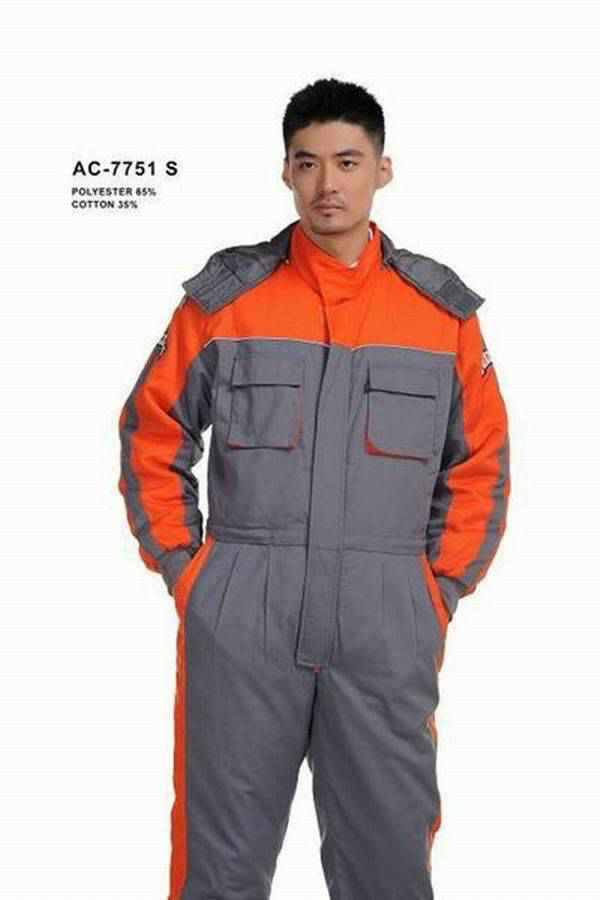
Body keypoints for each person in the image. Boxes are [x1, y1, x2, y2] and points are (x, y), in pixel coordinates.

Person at [118, 76, 511, 900]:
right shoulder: (226, 302)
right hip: (243, 616)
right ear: (286, 172)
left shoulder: (440, 314)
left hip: (386, 619)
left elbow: (480, 462)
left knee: (388, 866)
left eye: (348, 161)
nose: (327, 183)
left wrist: (435, 590)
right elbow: (153, 431)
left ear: (383, 170)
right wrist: (193, 575)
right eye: (308, 163)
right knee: (219, 865)